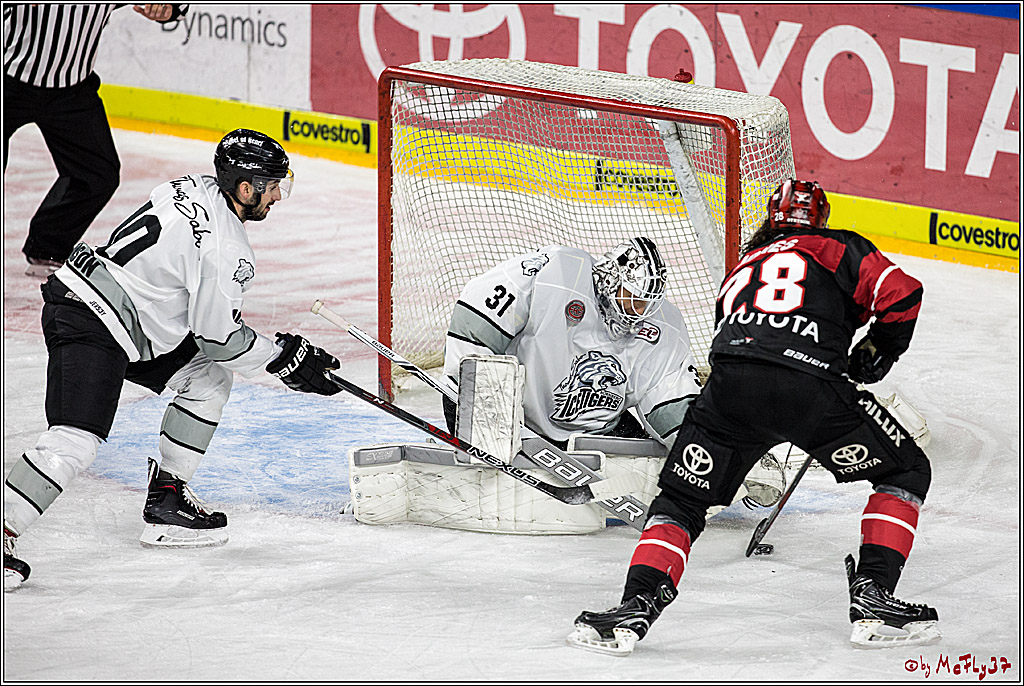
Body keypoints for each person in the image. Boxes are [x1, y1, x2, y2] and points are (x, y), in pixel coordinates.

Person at [568, 179, 939, 655]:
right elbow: (903, 294)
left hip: (730, 391)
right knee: (906, 470)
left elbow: (736, 330)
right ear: (821, 219)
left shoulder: (744, 265)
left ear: (771, 217)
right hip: (811, 391)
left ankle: (635, 605)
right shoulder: (840, 247)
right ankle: (874, 596)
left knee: (680, 501)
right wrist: (877, 351)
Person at [3, 129, 342, 591]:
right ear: (245, 188)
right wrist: (283, 360)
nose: (278, 195)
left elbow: (204, 334)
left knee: (207, 379)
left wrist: (279, 355)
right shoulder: (227, 247)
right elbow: (220, 338)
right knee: (74, 441)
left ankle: (168, 500)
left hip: (123, 316)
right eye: (272, 184)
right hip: (93, 321)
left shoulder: (190, 186)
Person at [443, 237, 701, 451]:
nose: (639, 310)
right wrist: (476, 406)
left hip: (597, 429)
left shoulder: (664, 325)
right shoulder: (556, 272)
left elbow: (672, 403)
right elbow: (477, 321)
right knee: (475, 381)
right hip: (518, 417)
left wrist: (703, 454)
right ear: (610, 279)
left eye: (648, 302)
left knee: (653, 465)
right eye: (633, 297)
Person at [3, 4, 189, 277]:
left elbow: (174, 7)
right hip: (8, 80)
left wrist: (169, 8)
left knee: (97, 174)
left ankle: (48, 247)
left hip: (71, 91)